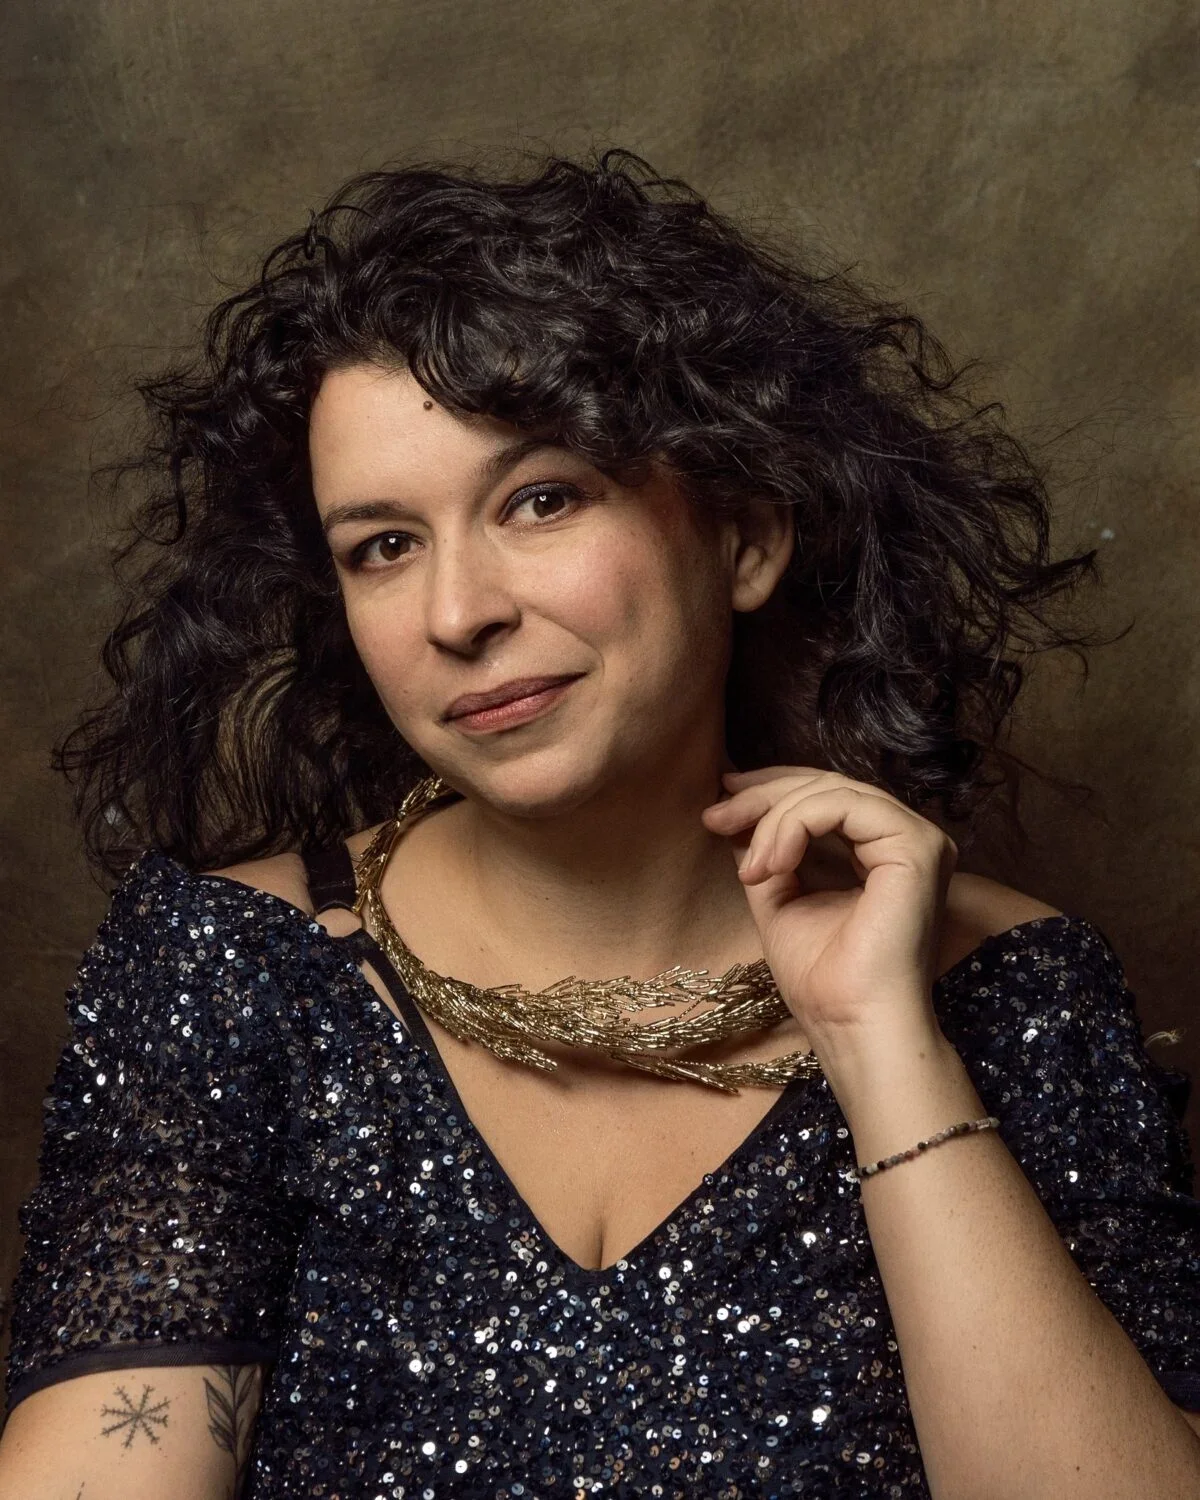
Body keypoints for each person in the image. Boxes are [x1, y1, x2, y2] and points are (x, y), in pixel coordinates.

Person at [0, 148, 1197, 1500]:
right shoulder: (229, 969)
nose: (459, 612)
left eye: (540, 499)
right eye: (383, 546)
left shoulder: (1015, 994)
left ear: (742, 536)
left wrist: (881, 1042)